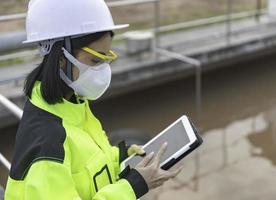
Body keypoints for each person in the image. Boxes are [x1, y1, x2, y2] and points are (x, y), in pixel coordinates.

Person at [4, 0, 183, 199]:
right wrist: (133, 186)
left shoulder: (73, 104)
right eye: (96, 60)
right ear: (60, 56)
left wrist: (122, 158)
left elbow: (88, 165)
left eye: (107, 59)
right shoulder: (48, 143)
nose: (103, 70)